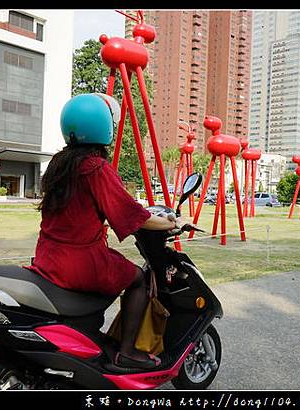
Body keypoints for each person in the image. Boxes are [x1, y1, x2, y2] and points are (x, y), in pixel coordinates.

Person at [27, 93, 184, 370]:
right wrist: (170, 223)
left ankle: (91, 334)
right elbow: (131, 214)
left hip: (47, 257)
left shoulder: (58, 165)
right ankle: (128, 352)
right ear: (104, 127)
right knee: (137, 278)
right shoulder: (96, 167)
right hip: (80, 261)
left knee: (114, 267)